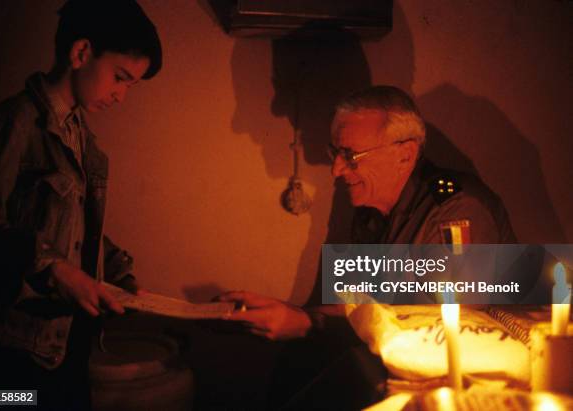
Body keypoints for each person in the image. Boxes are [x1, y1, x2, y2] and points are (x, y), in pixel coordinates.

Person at [217, 86, 516, 408]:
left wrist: (306, 324)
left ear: (405, 154)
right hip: (390, 359)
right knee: (297, 362)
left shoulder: (457, 209)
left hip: (466, 377)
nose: (336, 170)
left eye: (351, 156)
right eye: (336, 154)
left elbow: (442, 329)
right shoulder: (370, 210)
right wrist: (283, 314)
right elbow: (357, 304)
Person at [0, 1, 162, 410]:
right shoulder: (15, 123)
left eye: (130, 86)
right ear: (81, 53)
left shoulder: (82, 140)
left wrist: (118, 271)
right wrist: (51, 268)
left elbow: (73, 229)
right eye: (120, 78)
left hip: (66, 346)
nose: (121, 96)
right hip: (11, 351)